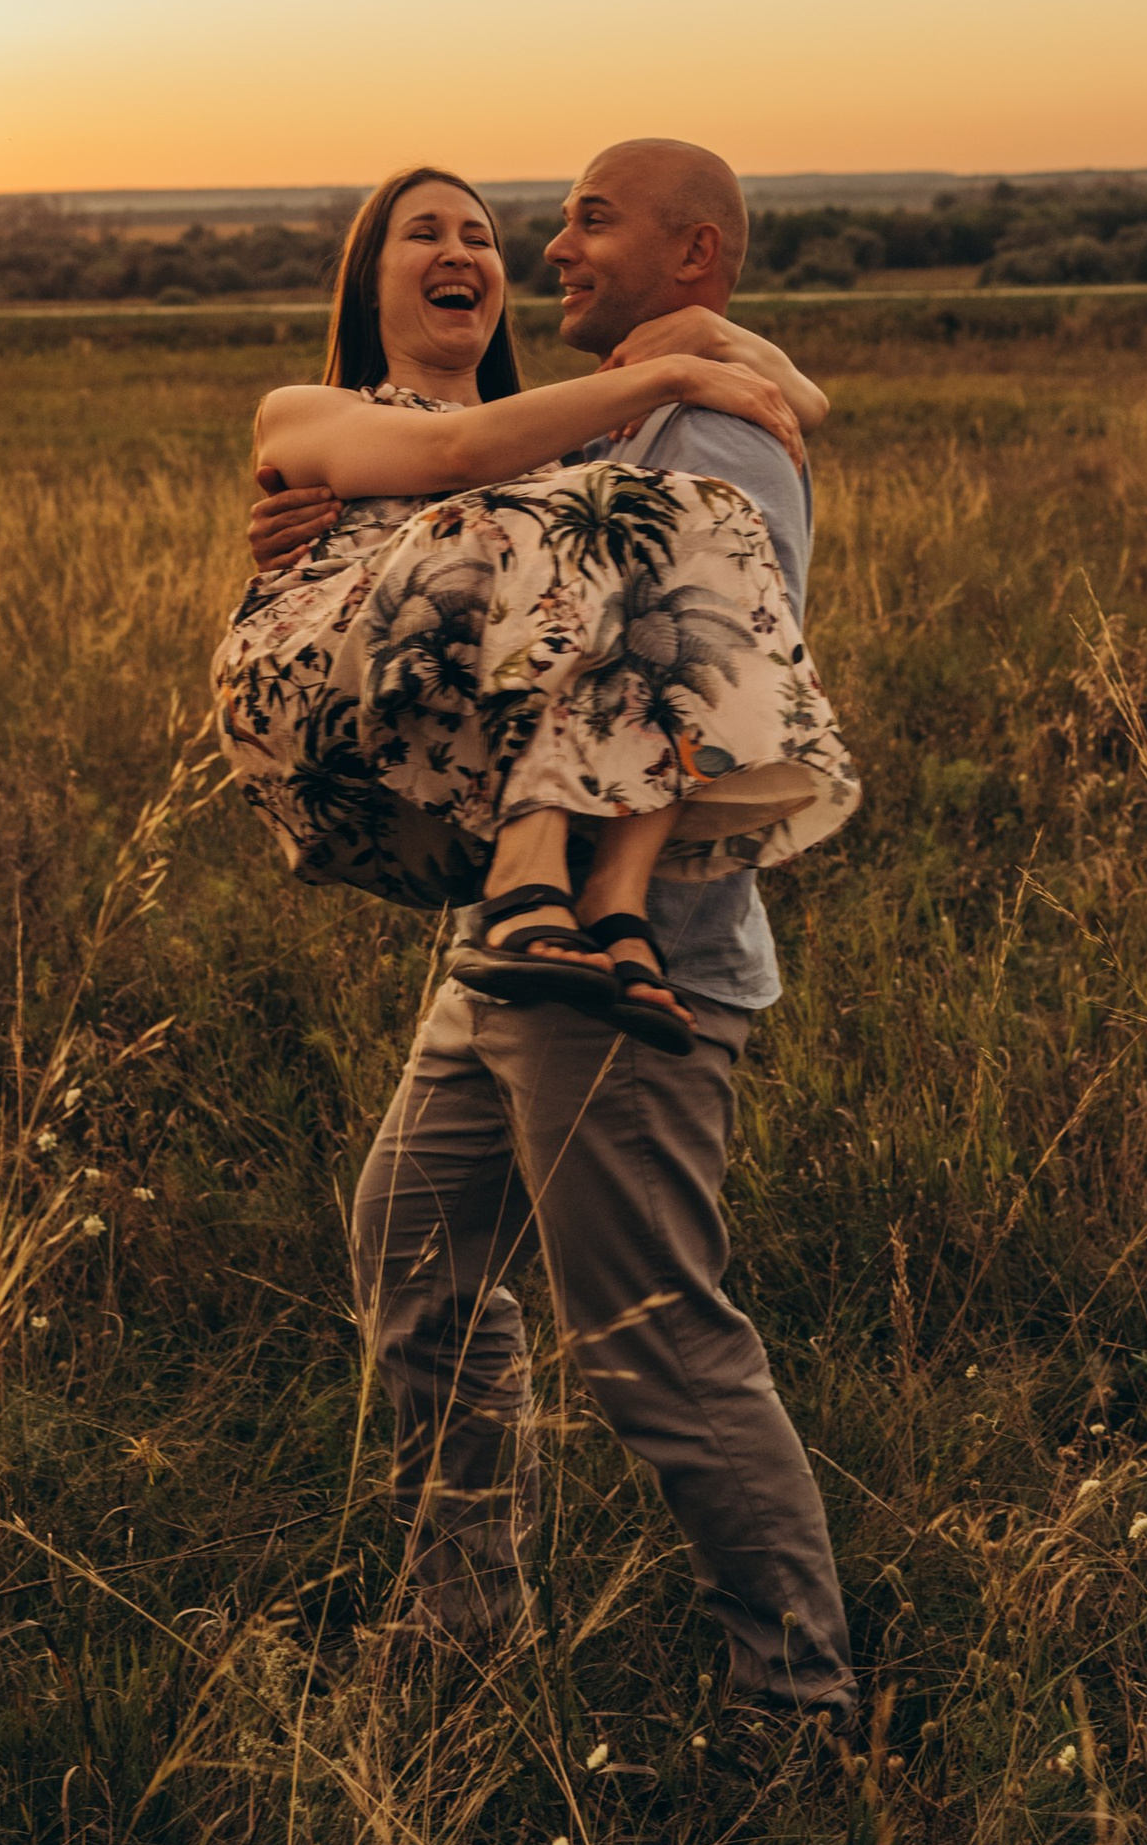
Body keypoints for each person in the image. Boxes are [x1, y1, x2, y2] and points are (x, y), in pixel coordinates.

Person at [234, 139, 861, 1732]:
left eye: (577, 222)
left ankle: (796, 1707)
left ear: (693, 263)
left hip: (636, 960)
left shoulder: (711, 435)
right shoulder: (586, 431)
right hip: (502, 950)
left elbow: (692, 689)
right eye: (445, 234)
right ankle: (459, 1624)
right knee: (414, 1249)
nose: (541, 249)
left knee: (654, 1340)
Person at [212, 161, 856, 1048]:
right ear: (368, 283)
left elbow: (803, 411)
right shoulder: (307, 409)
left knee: (665, 547)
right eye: (426, 234)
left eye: (478, 238)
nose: (461, 253)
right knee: (591, 513)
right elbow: (452, 453)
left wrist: (730, 346)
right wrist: (674, 372)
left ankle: (610, 901)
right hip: (329, 715)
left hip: (469, 808)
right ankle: (533, 878)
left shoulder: (554, 449)